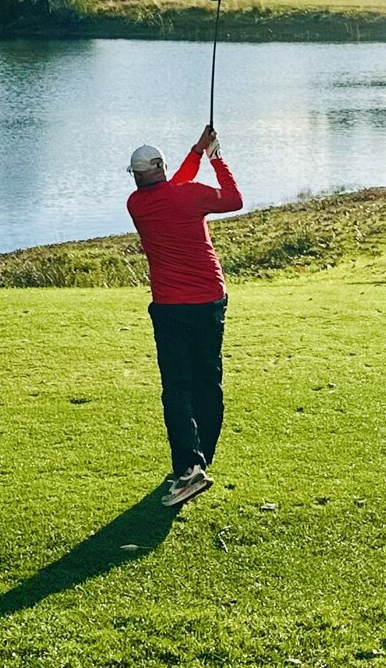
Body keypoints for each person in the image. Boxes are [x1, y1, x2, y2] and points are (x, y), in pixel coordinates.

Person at [126, 123, 242, 507]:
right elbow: (233, 199)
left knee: (177, 388)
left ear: (138, 176)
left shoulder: (137, 204)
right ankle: (199, 461)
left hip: (170, 308)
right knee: (208, 382)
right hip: (209, 299)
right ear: (159, 166)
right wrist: (216, 157)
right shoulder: (189, 195)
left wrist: (196, 152)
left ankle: (192, 467)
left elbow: (170, 187)